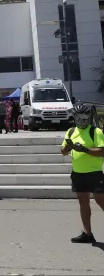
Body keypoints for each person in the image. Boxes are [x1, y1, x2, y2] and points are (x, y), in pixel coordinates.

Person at [60, 104, 104, 243]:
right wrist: (66, 148)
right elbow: (63, 151)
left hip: (94, 173)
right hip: (78, 173)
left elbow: (102, 151)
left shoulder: (95, 132)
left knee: (100, 200)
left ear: (88, 117)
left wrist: (85, 150)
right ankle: (87, 233)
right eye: (78, 118)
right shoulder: (71, 131)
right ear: (74, 118)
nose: (82, 120)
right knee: (83, 202)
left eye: (84, 117)